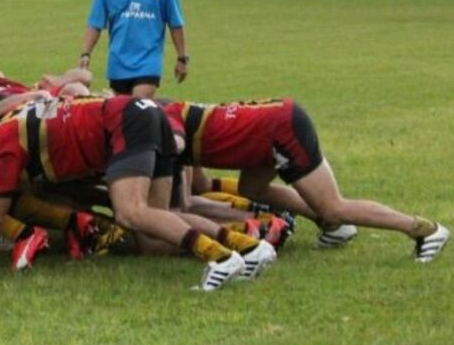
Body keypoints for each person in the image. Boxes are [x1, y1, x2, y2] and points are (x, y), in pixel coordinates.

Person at [0, 95, 273, 289]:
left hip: (126, 122)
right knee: (156, 232)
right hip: (146, 113)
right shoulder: (9, 122)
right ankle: (247, 246)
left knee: (130, 212)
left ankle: (218, 257)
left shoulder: (4, 152)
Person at [162, 98, 449, 262]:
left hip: (281, 128)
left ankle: (424, 229)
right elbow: (193, 188)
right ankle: (333, 228)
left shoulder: (163, 117)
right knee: (252, 188)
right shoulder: (165, 112)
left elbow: (175, 143)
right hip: (269, 129)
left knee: (334, 206)